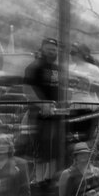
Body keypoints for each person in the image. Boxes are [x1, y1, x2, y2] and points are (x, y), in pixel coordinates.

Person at [23, 38, 59, 180]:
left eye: (54, 50)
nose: (52, 52)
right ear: (42, 49)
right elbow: (27, 90)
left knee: (53, 151)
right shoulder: (33, 67)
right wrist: (42, 104)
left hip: (55, 114)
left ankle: (48, 180)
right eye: (49, 49)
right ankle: (39, 180)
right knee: (40, 150)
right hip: (37, 114)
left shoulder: (56, 68)